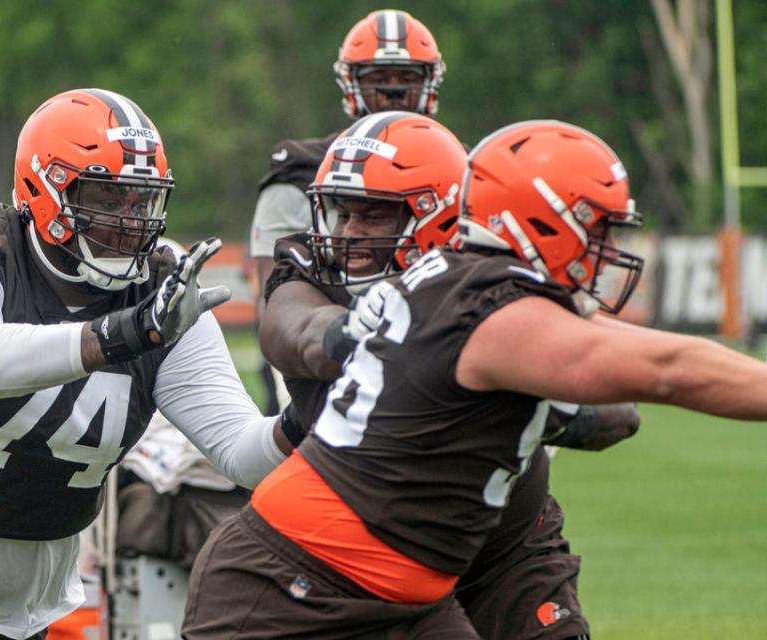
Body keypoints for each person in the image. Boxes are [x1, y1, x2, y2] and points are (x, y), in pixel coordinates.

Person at [183, 117, 767, 639]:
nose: (605, 248)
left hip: (398, 588)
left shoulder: (466, 287)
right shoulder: (484, 307)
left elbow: (637, 365)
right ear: (543, 220)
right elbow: (668, 373)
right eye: (596, 228)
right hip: (297, 589)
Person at [0, 88, 290, 640]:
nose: (129, 221)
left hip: (14, 598)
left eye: (141, 200)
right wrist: (121, 334)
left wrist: (312, 414)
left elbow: (240, 452)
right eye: (107, 198)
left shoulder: (162, 291)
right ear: (44, 189)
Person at [256, 112, 636, 640]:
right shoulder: (308, 267)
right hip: (361, 555)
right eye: (341, 213)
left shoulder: (489, 278)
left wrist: (522, 399)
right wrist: (358, 333)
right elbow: (293, 334)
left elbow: (619, 414)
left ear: (433, 218)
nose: (347, 234)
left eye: (373, 216)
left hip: (504, 547)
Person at [248, 8, 446, 413]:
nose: (394, 92)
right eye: (378, 79)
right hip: (333, 352)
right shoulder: (303, 168)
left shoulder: (461, 167)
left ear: (430, 84)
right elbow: (276, 292)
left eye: (408, 78)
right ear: (351, 84)